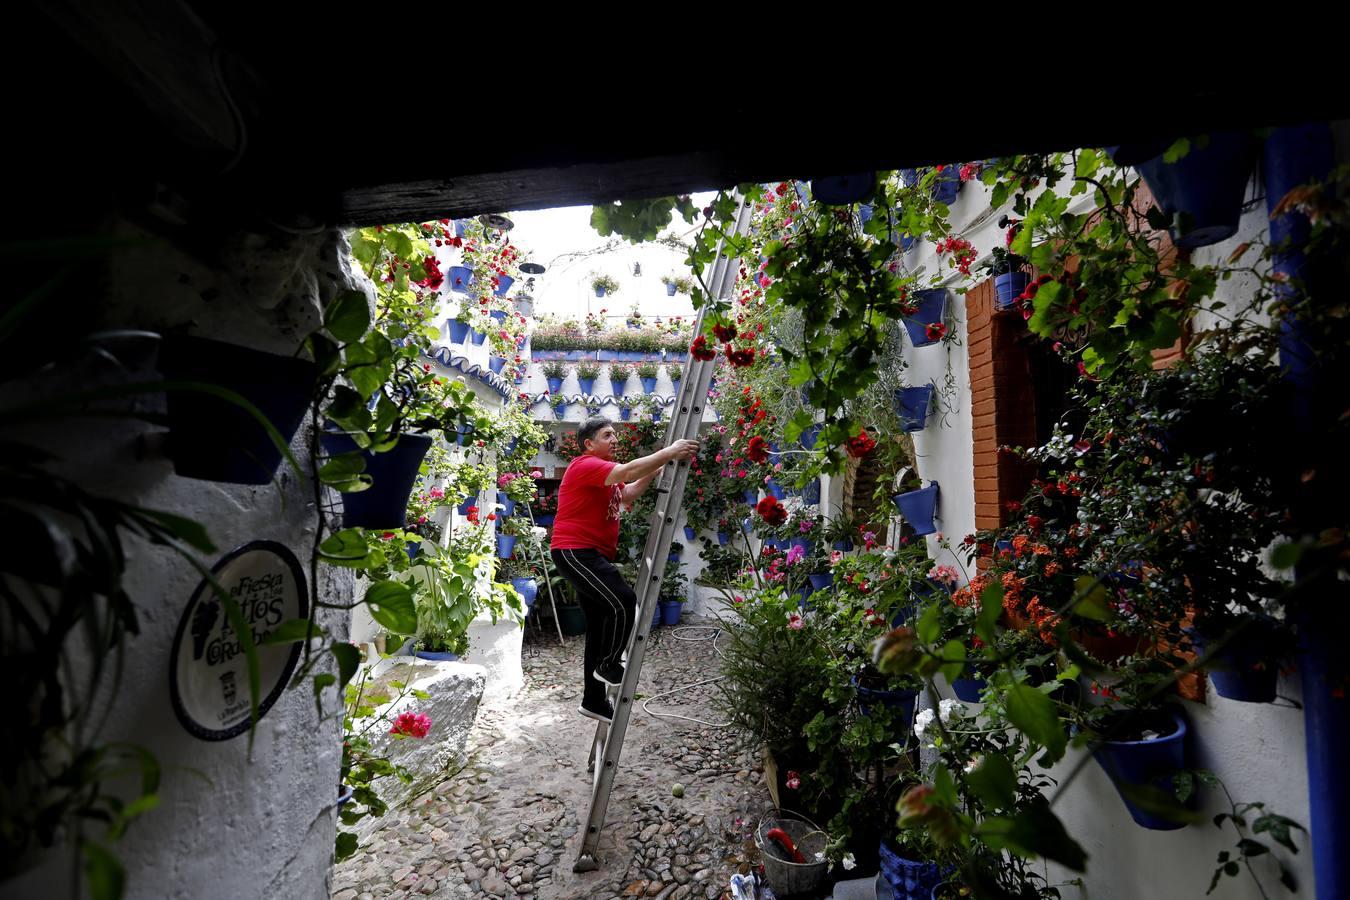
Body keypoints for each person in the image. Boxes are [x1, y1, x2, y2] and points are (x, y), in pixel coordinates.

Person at [550, 417, 699, 723]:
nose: (614, 439)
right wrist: (669, 452)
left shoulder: (604, 474)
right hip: (575, 550)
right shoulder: (585, 464)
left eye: (615, 435)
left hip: (586, 553)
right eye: (607, 435)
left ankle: (593, 700)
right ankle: (608, 663)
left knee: (599, 626)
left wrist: (656, 470)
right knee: (623, 600)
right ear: (589, 444)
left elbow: (627, 493)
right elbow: (627, 471)